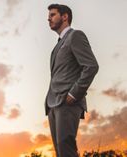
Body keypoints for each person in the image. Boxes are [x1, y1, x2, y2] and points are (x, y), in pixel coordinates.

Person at [45, 4, 99, 157]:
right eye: (49, 15)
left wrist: (75, 94)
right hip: (53, 104)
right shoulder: (57, 46)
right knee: (60, 152)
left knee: (66, 149)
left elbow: (91, 66)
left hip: (67, 102)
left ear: (65, 17)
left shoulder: (75, 36)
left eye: (53, 15)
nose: (48, 18)